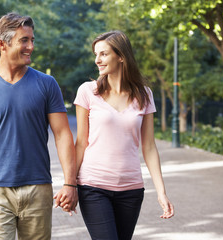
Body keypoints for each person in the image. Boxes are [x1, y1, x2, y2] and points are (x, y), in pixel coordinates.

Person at [0, 12, 77, 240]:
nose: (31, 47)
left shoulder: (47, 84)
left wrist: (70, 183)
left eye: (32, 40)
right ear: (2, 44)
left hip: (38, 188)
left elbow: (63, 135)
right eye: (24, 40)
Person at [74, 30, 174, 240]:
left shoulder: (144, 94)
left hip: (131, 189)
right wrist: (69, 184)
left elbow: (148, 147)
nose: (97, 60)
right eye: (96, 54)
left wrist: (161, 192)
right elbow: (81, 142)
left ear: (121, 56)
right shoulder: (87, 91)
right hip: (93, 186)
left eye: (103, 54)